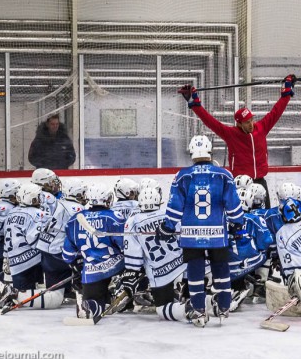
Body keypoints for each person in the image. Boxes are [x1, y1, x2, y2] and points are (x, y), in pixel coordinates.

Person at [161, 135, 244, 327]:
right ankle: (224, 306)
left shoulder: (183, 175)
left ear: (191, 151)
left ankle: (198, 309)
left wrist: (168, 226)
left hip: (191, 235)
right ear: (210, 150)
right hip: (217, 235)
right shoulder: (224, 174)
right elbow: (232, 204)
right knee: (221, 268)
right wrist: (237, 222)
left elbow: (175, 205)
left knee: (195, 272)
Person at [178, 74, 297, 208]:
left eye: (251, 120)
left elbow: (276, 112)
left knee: (265, 217)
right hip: (240, 185)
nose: (251, 124)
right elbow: (210, 122)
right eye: (247, 122)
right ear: (239, 124)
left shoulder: (261, 128)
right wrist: (195, 105)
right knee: (240, 220)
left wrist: (286, 93)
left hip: (260, 183)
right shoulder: (231, 134)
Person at [0, 184, 65, 312]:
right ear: (33, 199)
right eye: (38, 197)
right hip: (30, 263)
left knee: (25, 293)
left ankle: (8, 293)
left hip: (14, 265)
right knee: (54, 297)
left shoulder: (12, 212)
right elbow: (35, 240)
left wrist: (7, 258)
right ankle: (9, 294)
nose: (40, 199)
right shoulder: (38, 214)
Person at [117, 186, 189, 322]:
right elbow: (184, 239)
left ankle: (187, 308)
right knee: (193, 293)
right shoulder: (169, 214)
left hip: (159, 273)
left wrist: (132, 273)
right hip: (182, 265)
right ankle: (207, 301)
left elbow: (133, 255)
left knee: (162, 309)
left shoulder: (133, 222)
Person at [63, 184, 126, 319]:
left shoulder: (74, 219)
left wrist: (77, 266)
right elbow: (125, 246)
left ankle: (89, 307)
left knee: (95, 303)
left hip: (91, 271)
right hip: (116, 267)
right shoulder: (114, 217)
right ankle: (120, 288)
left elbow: (67, 254)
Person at [36, 178, 88, 298]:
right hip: (57, 252)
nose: (85, 196)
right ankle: (82, 288)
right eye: (83, 193)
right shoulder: (78, 208)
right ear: (77, 193)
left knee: (55, 291)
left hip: (44, 248)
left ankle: (62, 292)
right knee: (89, 256)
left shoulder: (58, 201)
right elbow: (81, 234)